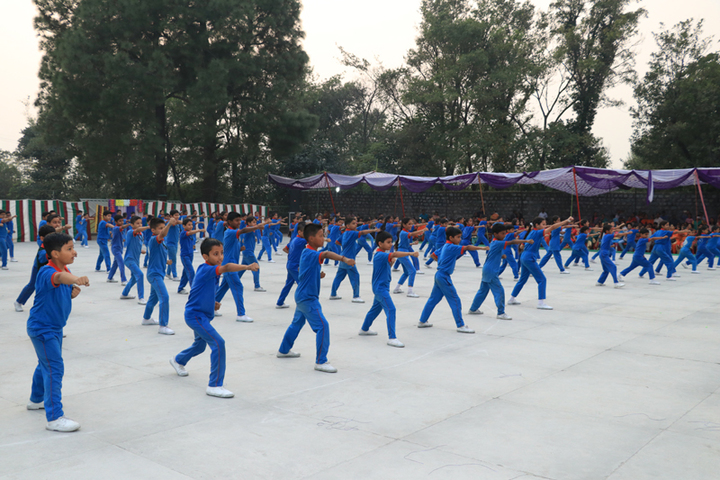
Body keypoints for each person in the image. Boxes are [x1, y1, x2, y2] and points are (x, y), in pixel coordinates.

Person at [169, 238, 259, 398]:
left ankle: (178, 360)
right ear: (205, 256)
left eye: (221, 253)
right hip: (195, 316)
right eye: (215, 254)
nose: (220, 257)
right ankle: (214, 385)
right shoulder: (206, 269)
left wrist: (213, 302)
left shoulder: (211, 268)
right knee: (218, 343)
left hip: (203, 314)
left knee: (199, 346)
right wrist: (247, 266)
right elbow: (228, 267)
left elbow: (203, 290)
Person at [26, 232, 89, 432]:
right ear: (54, 253)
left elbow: (61, 285)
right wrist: (76, 279)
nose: (74, 252)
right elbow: (59, 278)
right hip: (43, 328)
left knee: (44, 363)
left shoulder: (64, 269)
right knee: (54, 367)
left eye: (73, 248)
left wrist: (71, 293)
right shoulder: (47, 271)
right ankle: (54, 417)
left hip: (54, 328)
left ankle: (36, 399)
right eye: (69, 249)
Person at [277, 223, 356, 373]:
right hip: (307, 298)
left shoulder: (307, 253)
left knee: (296, 324)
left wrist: (316, 274)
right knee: (322, 326)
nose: (323, 238)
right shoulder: (311, 253)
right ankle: (321, 361)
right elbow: (325, 254)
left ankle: (284, 350)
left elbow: (302, 270)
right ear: (311, 238)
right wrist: (344, 259)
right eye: (320, 236)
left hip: (303, 295)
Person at [417, 226, 488, 333]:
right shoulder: (451, 247)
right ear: (451, 237)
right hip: (444, 277)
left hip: (439, 275)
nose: (460, 239)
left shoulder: (445, 246)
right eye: (458, 237)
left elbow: (433, 255)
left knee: (433, 299)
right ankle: (461, 325)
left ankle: (422, 321)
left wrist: (442, 262)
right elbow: (467, 247)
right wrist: (483, 248)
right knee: (455, 300)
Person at [359, 231, 419, 347]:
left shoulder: (382, 255)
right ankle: (392, 337)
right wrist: (410, 254)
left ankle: (364, 329)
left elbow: (384, 268)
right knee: (391, 310)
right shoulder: (380, 255)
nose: (391, 244)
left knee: (375, 310)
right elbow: (395, 254)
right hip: (380, 288)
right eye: (388, 242)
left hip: (381, 287)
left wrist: (390, 265)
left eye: (391, 242)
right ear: (380, 243)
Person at [469, 223, 534, 319]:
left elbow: (493, 253)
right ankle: (501, 313)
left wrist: (501, 256)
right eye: (502, 234)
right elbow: (511, 242)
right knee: (499, 291)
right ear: (495, 234)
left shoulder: (494, 242)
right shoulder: (498, 243)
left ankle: (473, 309)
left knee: (483, 291)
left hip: (487, 270)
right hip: (491, 271)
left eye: (505, 233)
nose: (504, 236)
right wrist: (526, 240)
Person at [507, 216, 574, 310]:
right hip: (529, 258)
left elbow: (522, 246)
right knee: (542, 279)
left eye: (545, 224)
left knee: (522, 280)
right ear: (537, 225)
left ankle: (511, 298)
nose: (545, 226)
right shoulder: (537, 232)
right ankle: (541, 302)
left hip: (524, 257)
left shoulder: (532, 232)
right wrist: (566, 220)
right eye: (543, 224)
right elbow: (552, 227)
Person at [214, 214, 268, 321]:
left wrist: (239, 249)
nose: (238, 222)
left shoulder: (233, 233)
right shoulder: (230, 232)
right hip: (230, 266)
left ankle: (211, 307)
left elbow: (229, 249)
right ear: (229, 222)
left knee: (224, 287)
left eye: (239, 220)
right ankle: (240, 314)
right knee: (238, 287)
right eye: (236, 220)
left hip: (230, 265)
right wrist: (257, 227)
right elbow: (243, 231)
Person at [329, 216, 378, 303]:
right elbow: (362, 232)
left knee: (339, 277)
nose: (355, 225)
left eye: (355, 223)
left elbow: (337, 242)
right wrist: (374, 230)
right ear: (347, 225)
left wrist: (346, 246)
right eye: (353, 223)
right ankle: (356, 296)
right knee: (355, 276)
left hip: (343, 257)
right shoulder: (351, 233)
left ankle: (333, 294)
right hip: (349, 259)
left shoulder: (344, 233)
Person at [142, 216, 178, 335]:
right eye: (160, 228)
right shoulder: (154, 240)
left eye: (163, 227)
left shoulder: (162, 243)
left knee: (154, 297)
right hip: (155, 275)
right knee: (165, 297)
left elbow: (156, 256)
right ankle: (163, 325)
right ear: (153, 230)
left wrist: (166, 262)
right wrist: (169, 224)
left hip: (158, 274)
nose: (163, 230)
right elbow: (162, 235)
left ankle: (146, 318)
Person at [14, 225, 56, 312]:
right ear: (42, 238)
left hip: (49, 270)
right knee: (32, 285)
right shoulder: (43, 250)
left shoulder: (53, 246)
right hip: (38, 268)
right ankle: (18, 302)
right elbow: (45, 257)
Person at [276, 223, 307, 309]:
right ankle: (303, 303)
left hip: (290, 264)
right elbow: (312, 241)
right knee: (301, 284)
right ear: (299, 231)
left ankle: (280, 302)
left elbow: (285, 249)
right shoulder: (302, 241)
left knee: (288, 284)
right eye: (305, 232)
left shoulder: (294, 239)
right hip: (295, 266)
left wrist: (292, 255)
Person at [120, 216, 150, 304]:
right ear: (132, 225)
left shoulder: (141, 235)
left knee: (134, 278)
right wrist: (149, 227)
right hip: (130, 260)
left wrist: (141, 250)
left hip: (136, 260)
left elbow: (134, 245)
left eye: (141, 223)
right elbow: (137, 230)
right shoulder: (130, 232)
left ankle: (124, 294)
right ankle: (141, 298)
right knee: (140, 275)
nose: (140, 225)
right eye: (137, 223)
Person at [393, 218, 425, 297]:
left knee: (407, 272)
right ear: (404, 224)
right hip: (403, 253)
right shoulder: (404, 232)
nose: (411, 225)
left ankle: (397, 288)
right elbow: (411, 235)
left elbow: (405, 244)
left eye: (411, 224)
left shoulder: (405, 232)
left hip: (403, 251)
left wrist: (413, 244)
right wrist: (422, 230)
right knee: (413, 271)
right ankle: (410, 291)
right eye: (409, 224)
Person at [595, 224, 630, 288]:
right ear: (607, 231)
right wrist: (628, 233)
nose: (612, 231)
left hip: (603, 253)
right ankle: (616, 283)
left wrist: (610, 246)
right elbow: (618, 235)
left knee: (606, 270)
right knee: (613, 266)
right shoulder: (607, 235)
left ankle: (599, 282)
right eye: (611, 230)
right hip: (604, 254)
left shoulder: (605, 236)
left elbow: (604, 245)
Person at [107, 214, 129, 284]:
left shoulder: (119, 229)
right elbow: (122, 227)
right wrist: (129, 224)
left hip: (119, 248)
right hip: (116, 249)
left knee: (115, 264)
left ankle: (110, 277)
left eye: (122, 221)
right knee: (121, 263)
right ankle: (123, 279)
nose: (122, 222)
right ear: (116, 222)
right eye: (120, 221)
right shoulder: (116, 228)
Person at [164, 210, 181, 281]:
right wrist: (186, 222)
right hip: (170, 244)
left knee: (172, 258)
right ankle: (174, 275)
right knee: (173, 259)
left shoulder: (177, 224)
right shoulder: (171, 222)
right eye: (175, 215)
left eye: (178, 215)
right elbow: (175, 222)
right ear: (171, 216)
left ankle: (168, 273)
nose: (177, 216)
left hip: (175, 243)